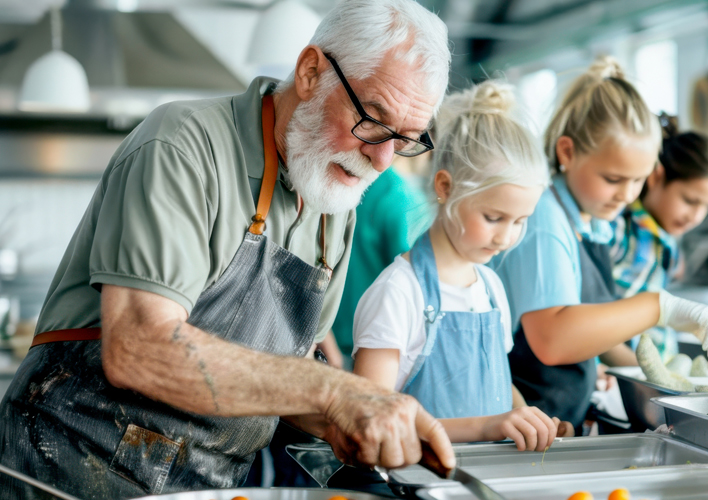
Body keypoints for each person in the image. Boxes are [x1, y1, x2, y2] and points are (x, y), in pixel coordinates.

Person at [0, 1, 457, 498]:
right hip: (64, 473)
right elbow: (138, 348)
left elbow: (282, 378)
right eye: (372, 119)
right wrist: (333, 391)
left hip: (203, 487)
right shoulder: (184, 145)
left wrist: (350, 421)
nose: (383, 158)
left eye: (407, 140)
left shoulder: (334, 206)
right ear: (309, 73)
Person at [489, 56, 708, 432]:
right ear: (567, 153)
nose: (625, 195)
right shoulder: (543, 217)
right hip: (509, 419)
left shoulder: (592, 224)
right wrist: (659, 308)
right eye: (612, 178)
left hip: (550, 422)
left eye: (637, 181)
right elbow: (552, 339)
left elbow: (588, 323)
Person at [352, 80, 565, 449]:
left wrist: (527, 420)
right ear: (446, 187)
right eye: (494, 217)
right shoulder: (398, 292)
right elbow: (372, 421)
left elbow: (493, 383)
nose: (506, 238)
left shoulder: (490, 288)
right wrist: (487, 427)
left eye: (520, 221)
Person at [609, 115, 708, 362]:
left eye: (706, 206)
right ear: (656, 177)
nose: (696, 216)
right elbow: (594, 321)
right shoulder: (619, 229)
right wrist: (650, 377)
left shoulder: (665, 237)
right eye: (689, 200)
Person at [331, 163, 428, 359]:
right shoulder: (403, 199)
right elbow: (418, 285)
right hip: (373, 347)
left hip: (325, 334)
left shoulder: (340, 178)